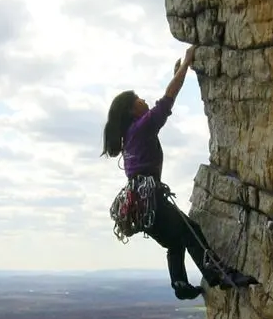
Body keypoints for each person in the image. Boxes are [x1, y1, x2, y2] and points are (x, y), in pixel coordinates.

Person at [102, 45, 259, 300]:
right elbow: (167, 100)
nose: (144, 101)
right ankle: (218, 274)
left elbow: (164, 97)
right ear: (133, 110)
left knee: (174, 242)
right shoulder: (142, 129)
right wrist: (186, 65)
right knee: (192, 230)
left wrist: (178, 72)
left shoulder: (130, 135)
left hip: (141, 206)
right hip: (149, 199)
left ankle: (180, 284)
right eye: (139, 99)